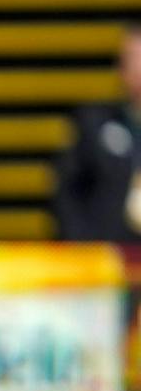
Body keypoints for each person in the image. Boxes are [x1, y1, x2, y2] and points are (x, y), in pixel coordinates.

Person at [56, 24, 141, 241]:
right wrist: (82, 245)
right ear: (121, 67)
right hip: (107, 258)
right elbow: (67, 192)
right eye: (133, 59)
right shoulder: (93, 123)